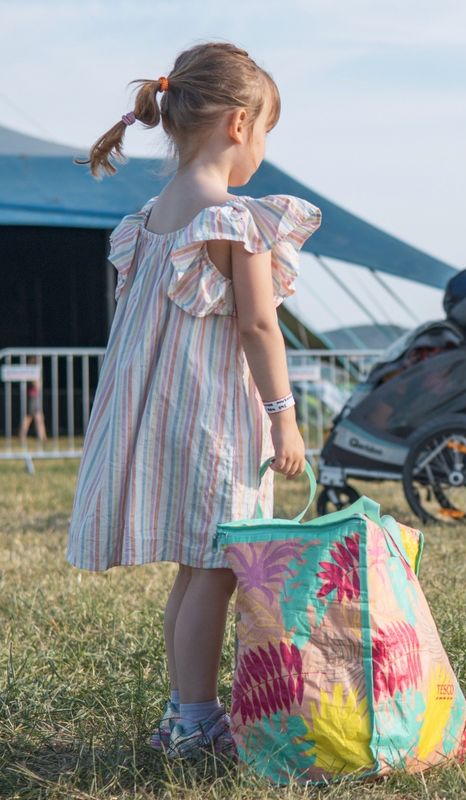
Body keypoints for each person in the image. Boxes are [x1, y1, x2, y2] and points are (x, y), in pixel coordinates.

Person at [67, 43, 321, 758]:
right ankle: (199, 720)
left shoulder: (149, 219)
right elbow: (260, 324)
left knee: (197, 567)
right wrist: (285, 419)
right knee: (219, 565)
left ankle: (184, 711)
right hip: (215, 420)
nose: (263, 152)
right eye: (266, 133)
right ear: (238, 124)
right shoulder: (236, 220)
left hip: (164, 417)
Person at [19, 356, 47, 444]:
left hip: (35, 396)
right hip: (33, 396)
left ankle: (43, 437)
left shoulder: (33, 372)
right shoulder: (31, 372)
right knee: (29, 418)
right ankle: (23, 436)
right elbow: (36, 385)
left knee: (38, 417)